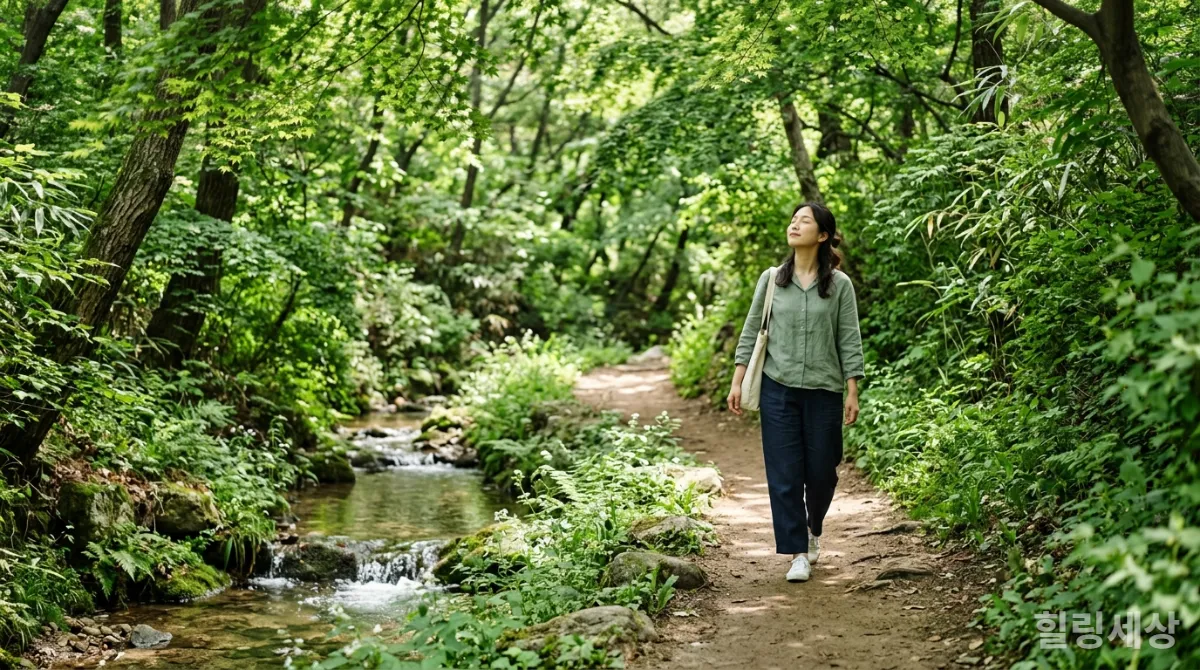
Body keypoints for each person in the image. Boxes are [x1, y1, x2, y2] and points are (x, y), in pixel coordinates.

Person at [726, 201, 865, 583]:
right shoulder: (772, 279)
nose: (795, 224)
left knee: (822, 473)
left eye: (804, 221)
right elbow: (753, 330)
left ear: (822, 235)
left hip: (824, 390)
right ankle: (797, 552)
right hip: (778, 389)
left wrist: (852, 389)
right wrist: (737, 380)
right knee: (784, 474)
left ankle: (813, 528)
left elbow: (849, 338)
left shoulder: (839, 286)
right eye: (793, 219)